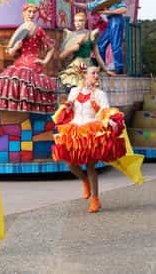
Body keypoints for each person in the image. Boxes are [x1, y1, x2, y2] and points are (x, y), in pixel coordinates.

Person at [51, 66, 139, 213]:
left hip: (92, 130)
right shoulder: (74, 91)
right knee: (70, 163)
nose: (96, 76)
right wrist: (67, 107)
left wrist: (108, 119)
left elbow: (105, 110)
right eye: (93, 73)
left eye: (97, 73)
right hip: (74, 130)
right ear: (85, 76)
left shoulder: (100, 94)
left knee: (91, 165)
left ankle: (95, 199)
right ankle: (85, 181)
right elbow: (69, 109)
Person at [0, 2, 57, 113]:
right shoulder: (20, 29)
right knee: (10, 80)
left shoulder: (38, 30)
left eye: (34, 12)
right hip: (20, 63)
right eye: (29, 11)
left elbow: (51, 47)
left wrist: (44, 61)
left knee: (24, 83)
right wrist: (16, 47)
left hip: (33, 64)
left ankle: (28, 117)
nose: (31, 14)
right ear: (23, 13)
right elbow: (10, 52)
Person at [67, 0, 127, 74]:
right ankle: (101, 66)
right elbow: (88, 6)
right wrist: (73, 3)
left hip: (116, 20)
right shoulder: (99, 0)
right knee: (101, 44)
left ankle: (119, 68)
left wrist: (107, 12)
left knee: (115, 45)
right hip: (110, 22)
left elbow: (124, 9)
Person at [59, 12, 114, 87]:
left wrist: (105, 70)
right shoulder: (71, 35)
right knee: (75, 85)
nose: (77, 23)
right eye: (75, 21)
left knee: (90, 85)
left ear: (85, 21)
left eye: (80, 21)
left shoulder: (91, 34)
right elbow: (61, 56)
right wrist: (72, 49)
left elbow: (97, 55)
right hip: (75, 65)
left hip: (88, 65)